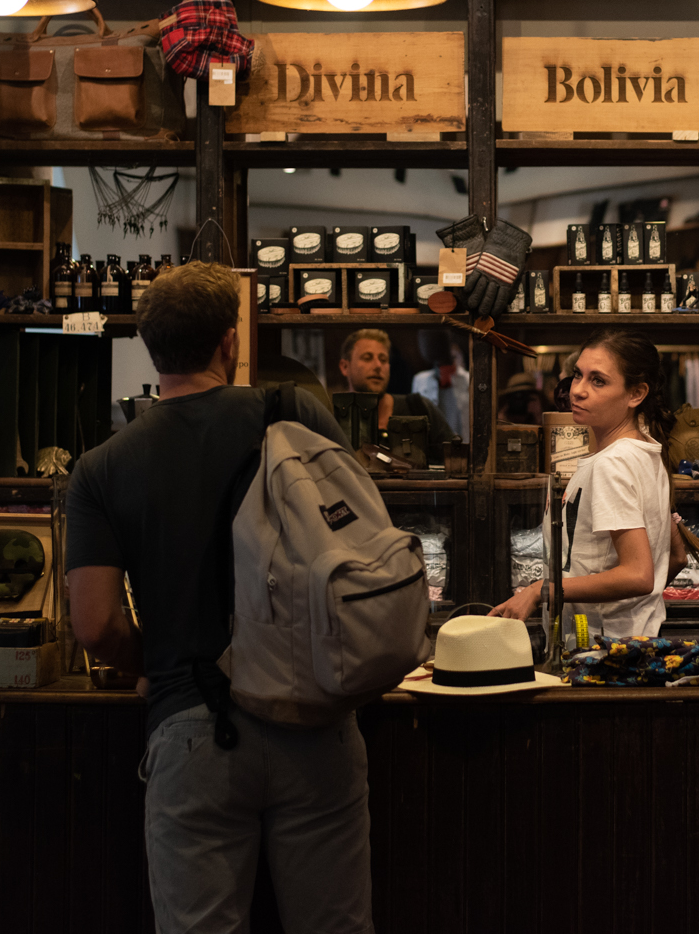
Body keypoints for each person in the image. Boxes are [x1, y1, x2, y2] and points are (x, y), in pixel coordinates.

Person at [65, 261, 372, 933]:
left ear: (149, 347)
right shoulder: (292, 414)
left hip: (192, 727)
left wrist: (157, 660)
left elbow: (93, 624)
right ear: (229, 342)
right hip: (314, 716)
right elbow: (358, 551)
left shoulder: (102, 467)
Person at [492, 329, 682, 639]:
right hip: (627, 641)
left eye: (598, 381)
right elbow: (675, 557)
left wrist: (543, 590)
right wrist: (635, 609)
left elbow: (639, 574)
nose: (578, 390)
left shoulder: (612, 463)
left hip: (603, 650)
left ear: (636, 394)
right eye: (578, 375)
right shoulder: (646, 451)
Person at [333, 327, 457, 464]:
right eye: (367, 358)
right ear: (345, 367)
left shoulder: (418, 408)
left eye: (383, 359)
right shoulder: (332, 419)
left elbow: (456, 461)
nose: (378, 365)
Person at [410, 333, 470, 438]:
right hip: (432, 443)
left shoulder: (468, 380)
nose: (450, 361)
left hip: (463, 442)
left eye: (454, 357)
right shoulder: (421, 380)